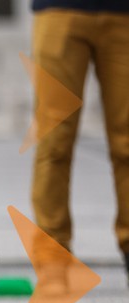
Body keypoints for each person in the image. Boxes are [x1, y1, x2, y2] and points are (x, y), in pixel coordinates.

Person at [30, 0, 129, 286]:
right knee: (55, 141)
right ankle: (52, 260)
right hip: (59, 10)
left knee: (127, 143)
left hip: (123, 14)